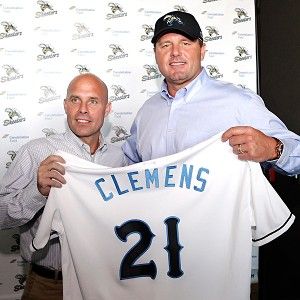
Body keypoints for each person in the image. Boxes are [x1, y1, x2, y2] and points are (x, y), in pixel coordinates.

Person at [122, 10, 300, 175]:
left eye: (185, 43)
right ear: (155, 54)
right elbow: (126, 167)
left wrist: (272, 148)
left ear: (202, 50)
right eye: (165, 45)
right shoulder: (146, 112)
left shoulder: (239, 101)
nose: (175, 52)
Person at [0, 73, 126, 300]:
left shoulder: (121, 159)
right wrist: (36, 192)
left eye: (93, 101)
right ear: (65, 105)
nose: (83, 109)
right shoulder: (35, 152)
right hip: (50, 285)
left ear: (107, 109)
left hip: (107, 282)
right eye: (75, 99)